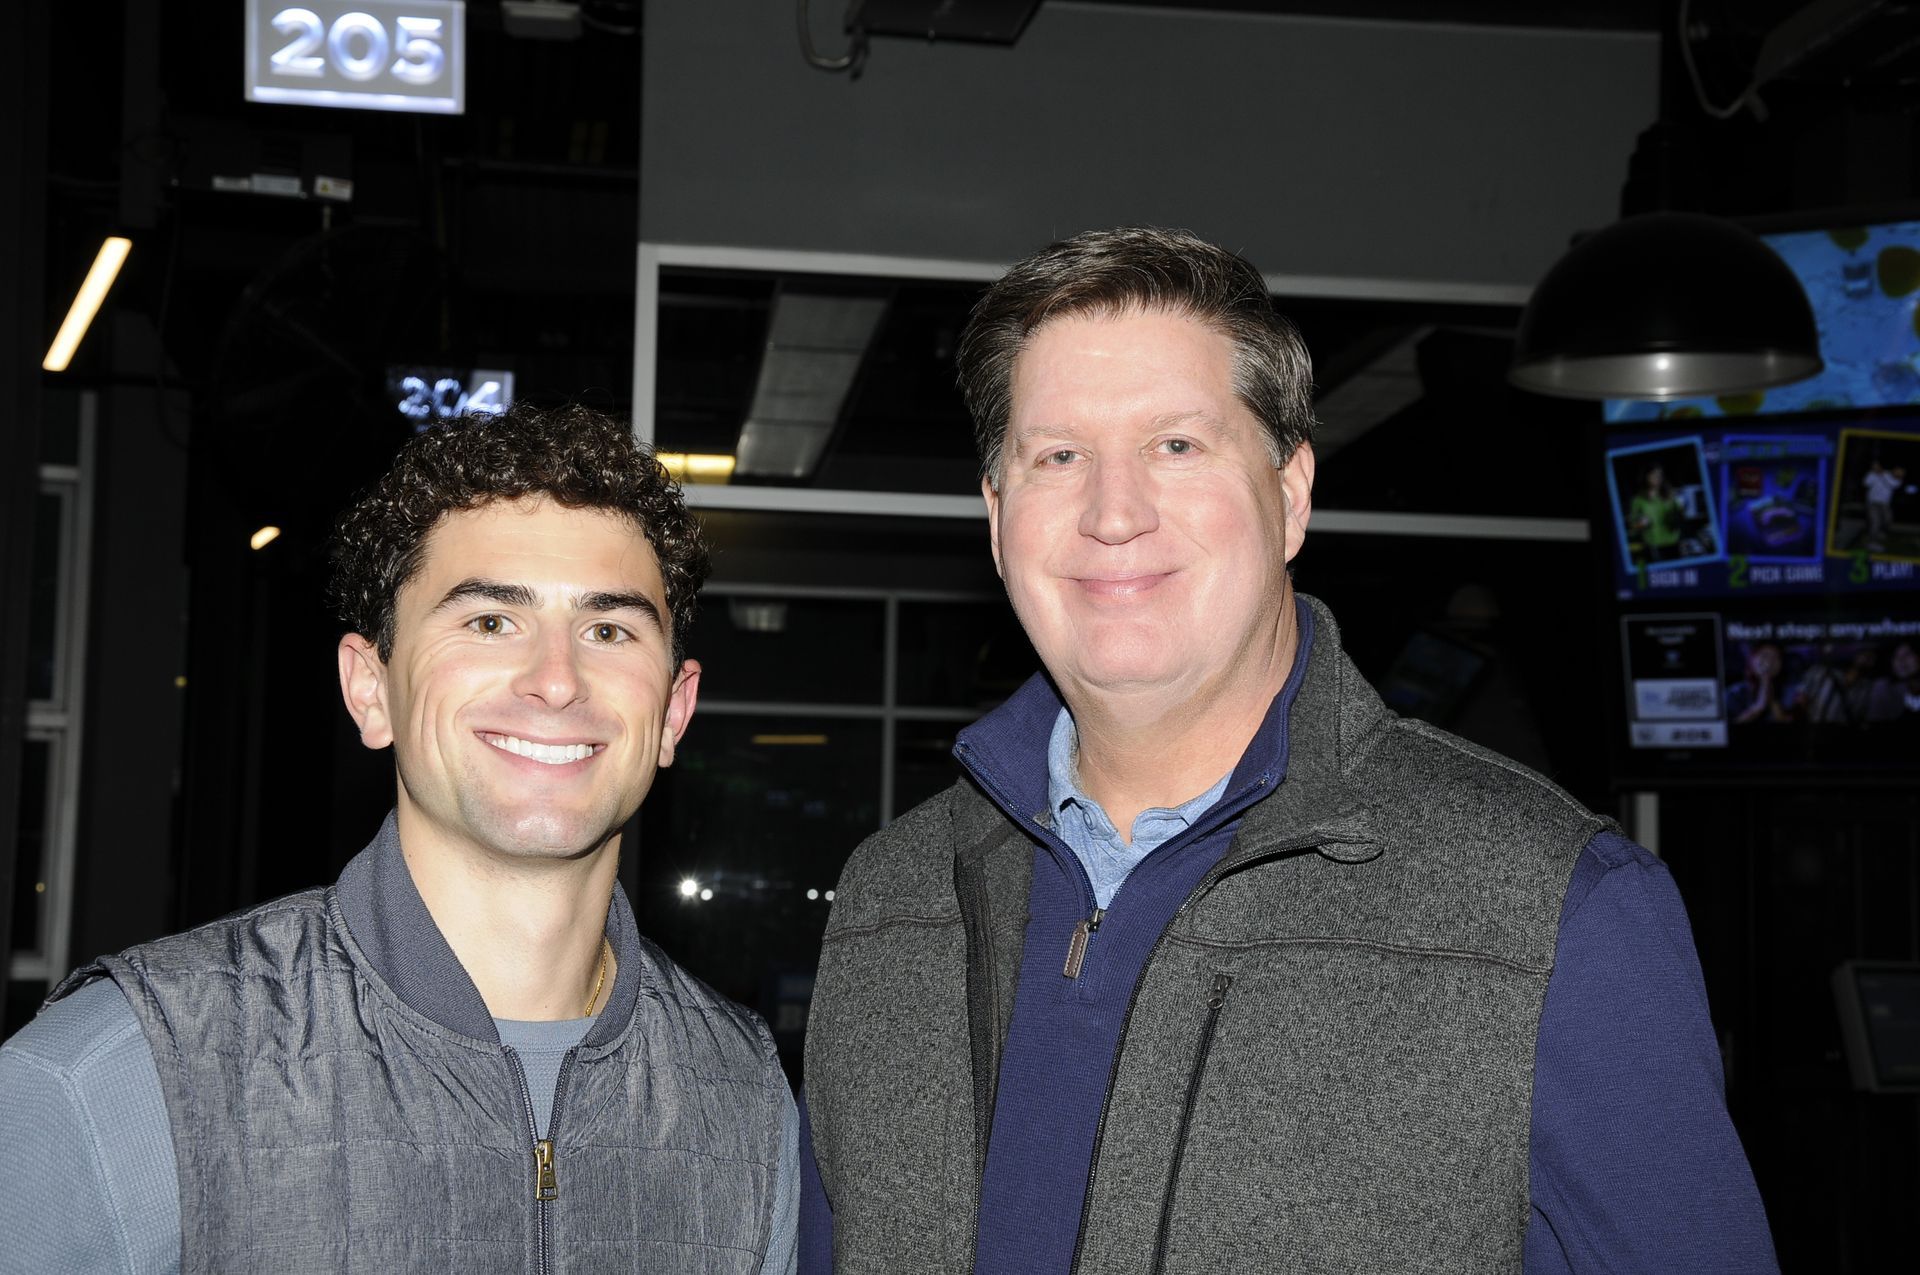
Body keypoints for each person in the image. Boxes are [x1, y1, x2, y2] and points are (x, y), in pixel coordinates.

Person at [800, 228, 1776, 1273]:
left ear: (1292, 493)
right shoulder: (889, 900)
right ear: (998, 519)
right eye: (1059, 456)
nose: (1113, 512)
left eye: (1177, 445)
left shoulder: (1559, 909)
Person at [0, 405, 798, 1272]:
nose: (558, 680)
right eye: (491, 620)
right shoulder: (120, 1078)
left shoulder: (747, 1095)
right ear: (370, 688)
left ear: (674, 710)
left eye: (608, 629)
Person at [1626, 463, 1684, 562]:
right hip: (1654, 546)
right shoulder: (1639, 500)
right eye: (1654, 474)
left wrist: (1679, 510)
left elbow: (1681, 513)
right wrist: (1641, 523)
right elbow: (1632, 526)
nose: (1658, 477)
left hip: (1674, 542)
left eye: (1660, 475)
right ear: (1646, 477)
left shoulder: (1670, 494)